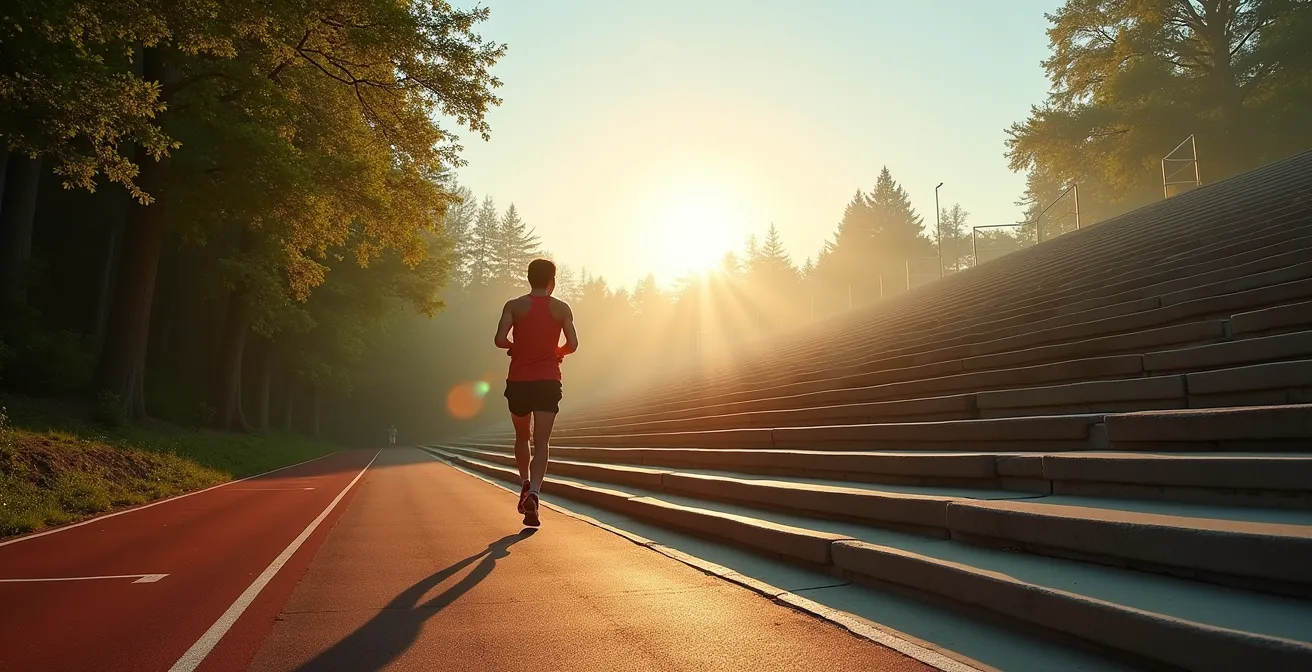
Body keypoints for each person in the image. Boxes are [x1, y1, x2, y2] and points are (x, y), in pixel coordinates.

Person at [494, 258, 579, 527]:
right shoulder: (561, 308)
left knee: (522, 437)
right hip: (548, 380)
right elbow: (573, 344)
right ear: (552, 281)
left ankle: (524, 483)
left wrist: (515, 346)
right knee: (541, 442)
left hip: (519, 379)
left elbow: (499, 339)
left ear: (529, 278)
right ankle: (535, 493)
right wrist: (556, 352)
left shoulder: (514, 306)